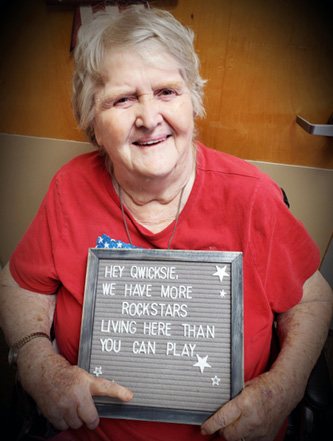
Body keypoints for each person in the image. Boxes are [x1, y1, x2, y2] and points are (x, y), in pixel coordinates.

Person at [0, 6, 332, 441]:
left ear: (193, 102)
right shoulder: (70, 188)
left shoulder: (251, 195)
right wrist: (40, 367)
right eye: (122, 99)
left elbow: (311, 300)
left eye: (167, 92)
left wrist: (282, 389)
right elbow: (18, 285)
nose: (149, 117)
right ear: (93, 124)